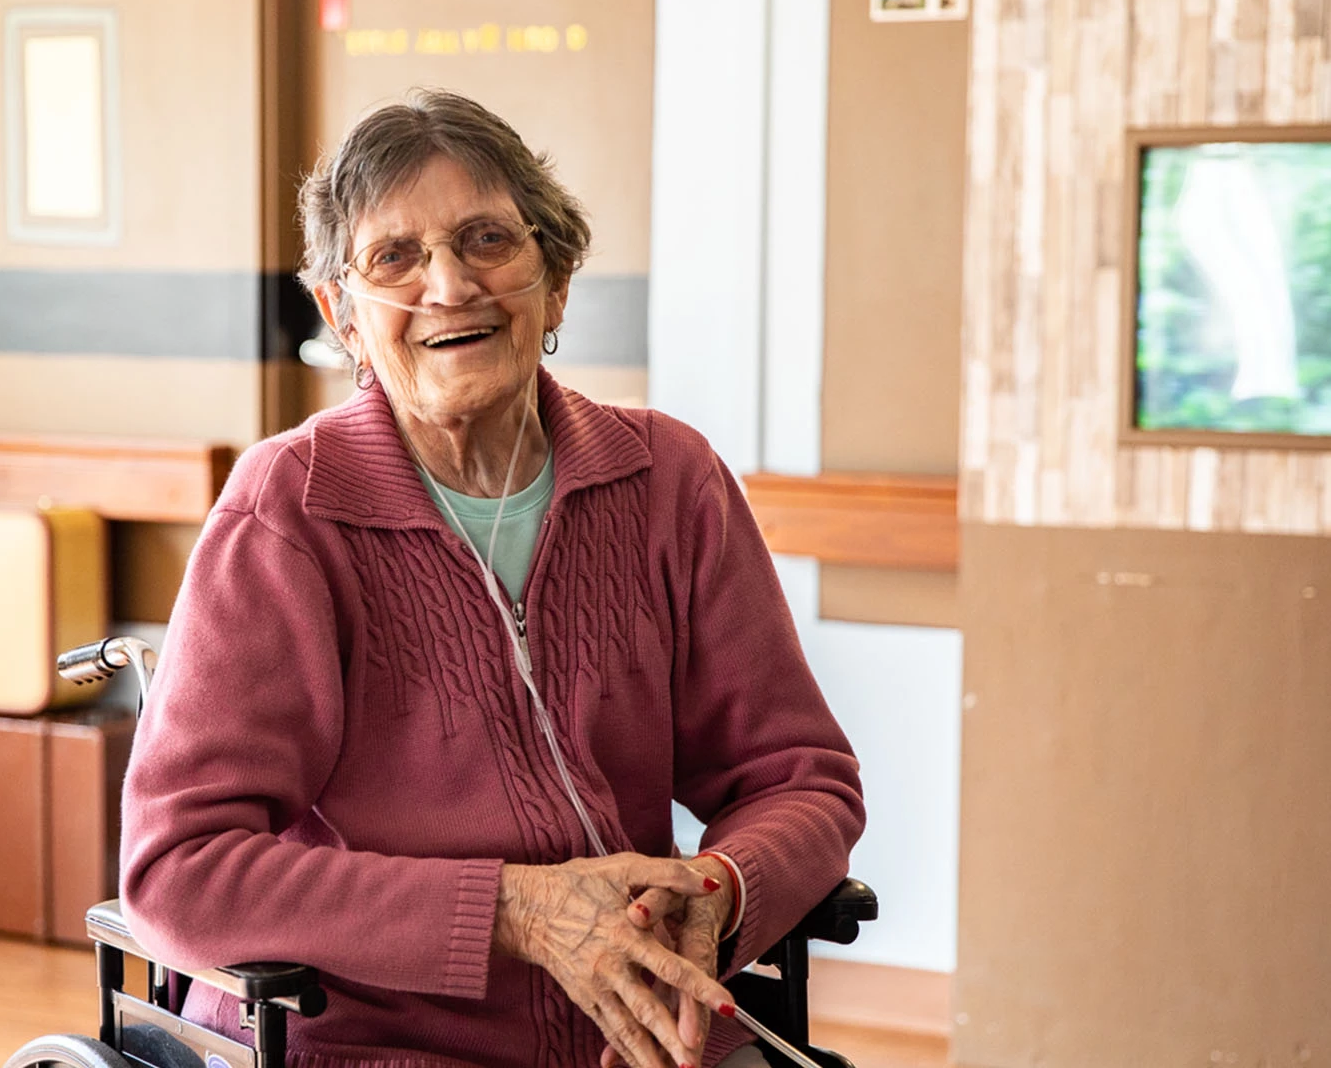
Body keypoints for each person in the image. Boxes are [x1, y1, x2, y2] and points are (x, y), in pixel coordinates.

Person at [121, 89, 865, 1068]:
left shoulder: (669, 481)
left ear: (554, 283)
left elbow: (804, 780)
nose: (449, 286)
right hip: (372, 1046)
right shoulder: (288, 513)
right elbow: (181, 871)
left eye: (487, 241)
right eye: (396, 257)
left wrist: (724, 891)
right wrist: (515, 910)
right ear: (342, 315)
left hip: (646, 1033)